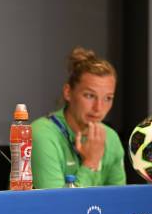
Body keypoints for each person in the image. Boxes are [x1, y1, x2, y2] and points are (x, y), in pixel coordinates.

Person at [31, 47, 126, 188]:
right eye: (89, 95)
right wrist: (91, 163)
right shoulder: (41, 134)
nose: (98, 108)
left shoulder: (110, 138)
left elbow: (120, 202)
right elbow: (57, 206)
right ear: (68, 92)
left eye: (108, 98)